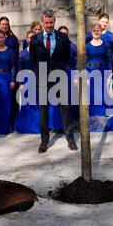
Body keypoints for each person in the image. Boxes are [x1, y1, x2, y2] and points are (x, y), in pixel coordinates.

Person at [30, 10, 77, 153]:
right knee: (43, 111)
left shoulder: (63, 37)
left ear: (54, 21)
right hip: (42, 79)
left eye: (51, 22)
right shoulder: (35, 39)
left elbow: (68, 59)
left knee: (65, 109)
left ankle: (70, 140)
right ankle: (44, 141)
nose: (49, 25)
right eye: (46, 23)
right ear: (42, 22)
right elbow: (33, 60)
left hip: (60, 78)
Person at [86, 23, 113, 132]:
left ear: (101, 32)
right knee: (94, 99)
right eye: (94, 30)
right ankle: (94, 124)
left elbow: (109, 59)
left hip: (104, 73)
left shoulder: (106, 44)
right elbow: (84, 61)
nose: (96, 32)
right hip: (92, 73)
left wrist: (111, 74)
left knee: (104, 98)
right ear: (91, 32)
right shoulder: (88, 45)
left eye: (98, 30)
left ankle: (105, 124)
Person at [15, 30, 40, 133]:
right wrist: (20, 83)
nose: (31, 39)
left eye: (33, 37)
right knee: (26, 103)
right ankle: (26, 126)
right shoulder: (22, 54)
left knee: (37, 103)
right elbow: (19, 68)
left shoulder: (40, 52)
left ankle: (36, 126)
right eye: (29, 37)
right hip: (25, 80)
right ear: (27, 39)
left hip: (37, 79)